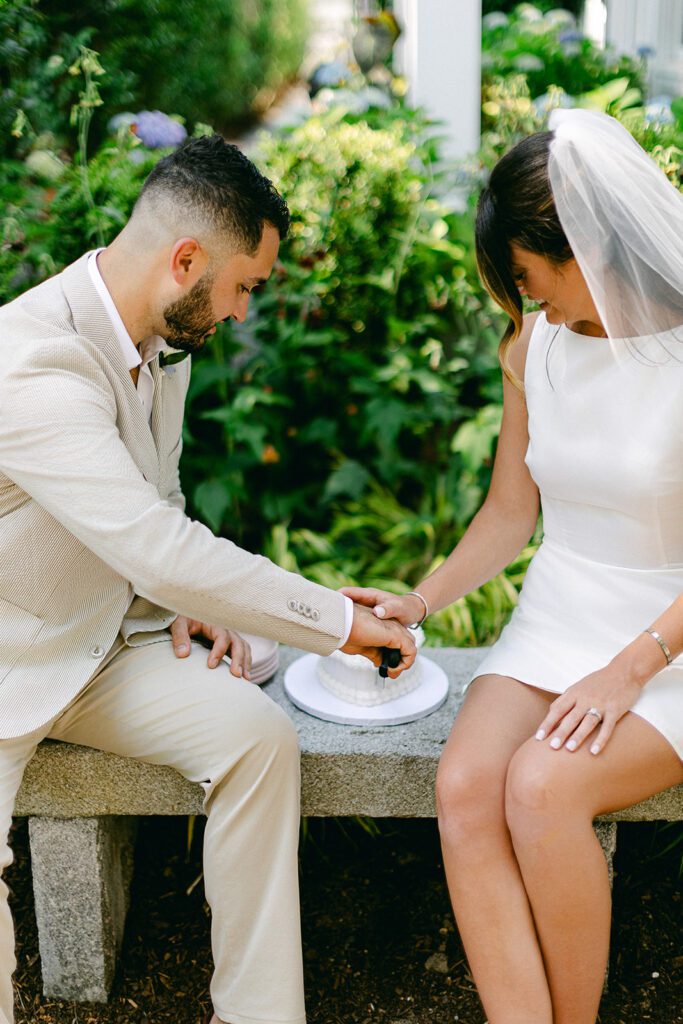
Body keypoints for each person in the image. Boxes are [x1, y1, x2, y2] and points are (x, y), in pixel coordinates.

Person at [0, 133, 416, 1024]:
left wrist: (186, 604)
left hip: (106, 648)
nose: (239, 312)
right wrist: (338, 623)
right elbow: (152, 542)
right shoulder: (32, 358)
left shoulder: (161, 348)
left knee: (256, 740)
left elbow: (161, 507)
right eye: (242, 287)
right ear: (185, 259)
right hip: (4, 659)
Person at [343, 109, 683, 1024]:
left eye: (532, 281)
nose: (532, 308)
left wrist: (630, 668)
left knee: (541, 786)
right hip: (561, 607)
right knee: (463, 784)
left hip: (667, 638)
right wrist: (414, 602)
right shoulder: (533, 348)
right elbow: (508, 512)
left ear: (585, 249)